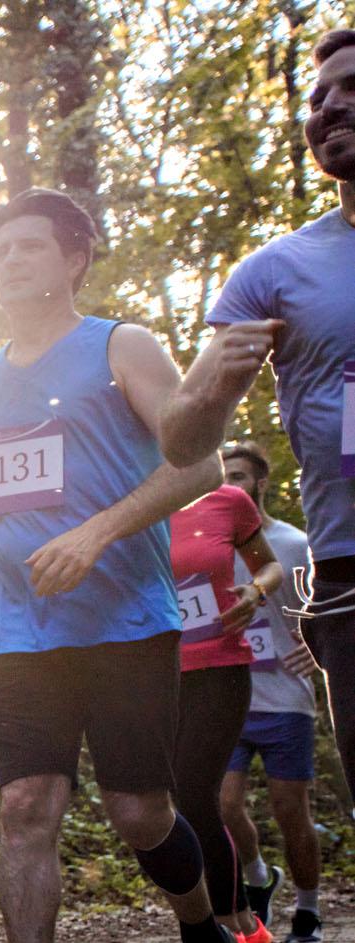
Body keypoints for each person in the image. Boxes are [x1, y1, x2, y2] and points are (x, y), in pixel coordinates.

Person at [0, 187, 248, 943]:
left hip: (124, 623)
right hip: (24, 634)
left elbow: (196, 462)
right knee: (23, 808)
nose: (8, 260)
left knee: (138, 813)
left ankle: (203, 936)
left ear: (74, 260)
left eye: (29, 246)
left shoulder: (118, 345)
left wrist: (96, 532)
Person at [162, 29, 355, 810]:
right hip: (347, 571)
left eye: (350, 88)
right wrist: (213, 387)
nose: (329, 106)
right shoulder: (275, 271)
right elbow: (179, 439)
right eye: (317, 98)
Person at [166, 475, 283, 943]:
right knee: (176, 805)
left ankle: (228, 930)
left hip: (220, 669)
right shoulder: (131, 503)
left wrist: (255, 591)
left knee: (195, 795)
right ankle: (246, 924)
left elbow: (270, 565)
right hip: (155, 673)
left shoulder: (228, 500)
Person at [217, 441, 327, 943]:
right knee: (223, 803)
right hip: (232, 694)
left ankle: (307, 908)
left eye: (237, 475)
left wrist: (321, 650)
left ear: (260, 482)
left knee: (290, 810)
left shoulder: (294, 543)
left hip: (286, 699)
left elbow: (331, 605)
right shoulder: (211, 544)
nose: (229, 483)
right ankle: (259, 876)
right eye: (222, 475)